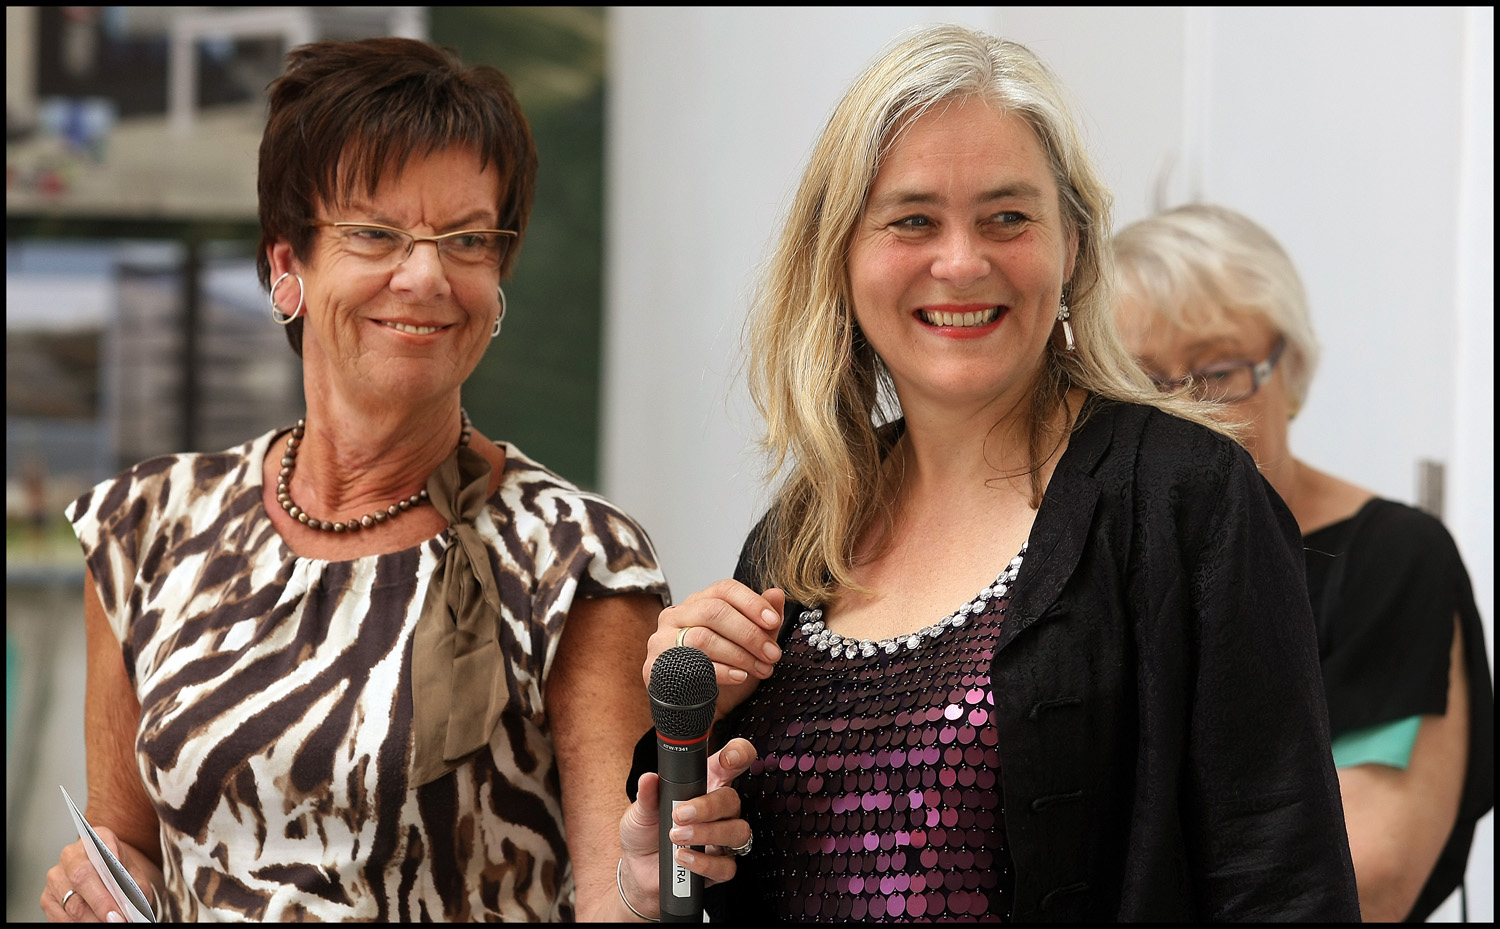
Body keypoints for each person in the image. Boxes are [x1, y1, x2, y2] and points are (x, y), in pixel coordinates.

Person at [616, 23, 1361, 922]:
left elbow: (1284, 885)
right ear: (840, 255)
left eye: (1008, 217)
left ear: (1072, 245)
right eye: (913, 220)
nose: (963, 261)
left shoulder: (1186, 498)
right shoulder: (803, 530)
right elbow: (704, 876)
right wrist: (673, 820)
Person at [42, 37, 676, 921]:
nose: (426, 276)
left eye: (467, 240)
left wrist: (653, 885)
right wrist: (100, 891)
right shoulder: (146, 526)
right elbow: (131, 850)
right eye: (376, 234)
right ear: (286, 267)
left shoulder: (575, 561)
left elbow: (626, 895)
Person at [1111, 202, 1494, 922]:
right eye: (1142, 383)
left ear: (1290, 370)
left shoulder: (1392, 560)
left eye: (1218, 371)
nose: (1184, 412)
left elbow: (1370, 876)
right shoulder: (1093, 563)